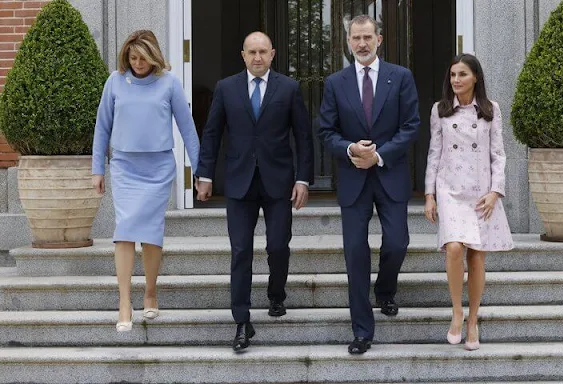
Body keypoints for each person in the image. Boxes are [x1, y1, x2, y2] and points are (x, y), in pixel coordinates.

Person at [194, 31, 314, 352]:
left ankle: (276, 295)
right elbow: (212, 133)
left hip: (278, 182)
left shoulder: (288, 89)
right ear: (243, 55)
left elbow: (303, 138)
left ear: (272, 54)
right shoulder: (226, 88)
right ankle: (242, 321)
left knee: (277, 246)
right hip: (239, 182)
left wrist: (303, 179)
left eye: (263, 52)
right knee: (241, 251)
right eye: (252, 52)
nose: (257, 57)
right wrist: (204, 174)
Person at [317, 15, 420, 355]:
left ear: (380, 38)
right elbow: (326, 131)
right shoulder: (335, 83)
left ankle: (385, 289)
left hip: (390, 175)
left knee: (397, 242)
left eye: (367, 37)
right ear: (347, 42)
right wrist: (350, 150)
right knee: (355, 254)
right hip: (352, 180)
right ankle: (362, 330)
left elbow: (411, 126)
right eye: (355, 38)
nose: (361, 44)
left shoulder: (400, 77)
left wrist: (378, 156)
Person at [91, 30, 200, 332]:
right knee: (124, 229)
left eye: (143, 58)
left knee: (151, 232)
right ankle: (124, 301)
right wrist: (97, 169)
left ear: (154, 56)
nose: (137, 63)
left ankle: (150, 292)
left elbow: (188, 130)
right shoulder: (114, 81)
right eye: (133, 57)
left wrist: (202, 171)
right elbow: (102, 128)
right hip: (125, 166)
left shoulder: (169, 83)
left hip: (158, 168)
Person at [424, 53, 513, 351]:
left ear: (475, 77)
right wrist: (429, 195)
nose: (456, 80)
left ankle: (473, 320)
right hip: (449, 190)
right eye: (452, 75)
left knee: (476, 256)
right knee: (453, 248)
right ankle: (457, 312)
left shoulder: (491, 110)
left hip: (480, 192)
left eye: (462, 74)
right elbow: (434, 153)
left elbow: (498, 154)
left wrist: (495, 192)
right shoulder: (440, 110)